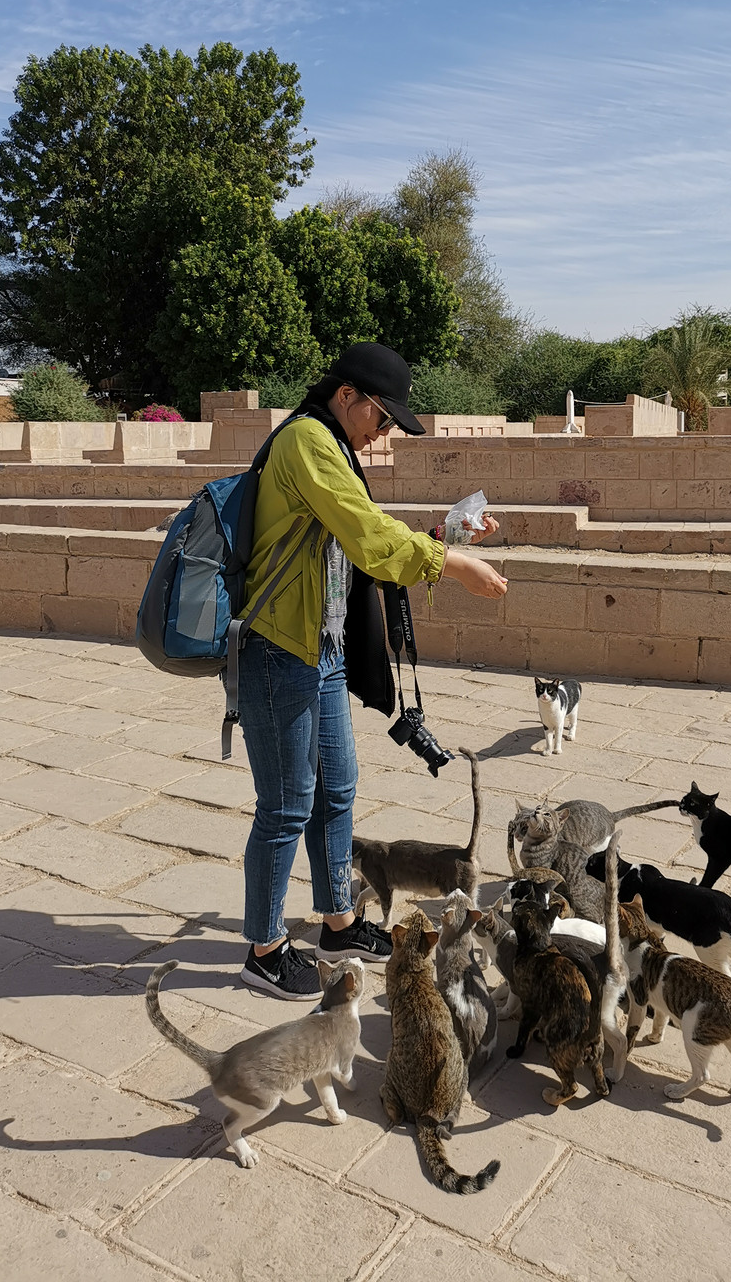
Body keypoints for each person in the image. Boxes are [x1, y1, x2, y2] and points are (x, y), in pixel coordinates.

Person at [234, 342, 508, 1000]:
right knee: (286, 805)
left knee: (337, 792)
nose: (383, 433)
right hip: (278, 649)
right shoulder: (306, 440)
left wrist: (445, 539)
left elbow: (357, 536)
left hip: (321, 647)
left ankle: (339, 922)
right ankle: (265, 949)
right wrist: (452, 567)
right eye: (382, 419)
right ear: (347, 394)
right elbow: (365, 534)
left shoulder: (333, 445)